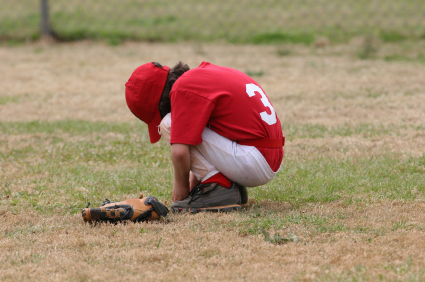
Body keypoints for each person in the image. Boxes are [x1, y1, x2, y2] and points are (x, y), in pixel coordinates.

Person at [125, 61, 284, 213]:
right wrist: (202, 175)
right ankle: (223, 185)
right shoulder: (203, 76)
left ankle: (219, 188)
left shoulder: (182, 89)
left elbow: (180, 152)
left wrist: (181, 187)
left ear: (162, 102)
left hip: (252, 159)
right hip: (269, 156)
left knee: (169, 123)